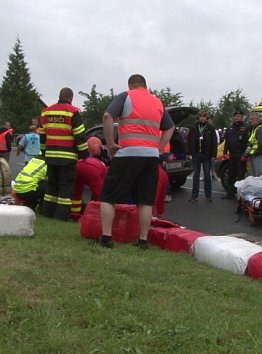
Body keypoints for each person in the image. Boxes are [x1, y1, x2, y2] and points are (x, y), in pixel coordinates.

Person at [99, 74, 174, 250]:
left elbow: (107, 116)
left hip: (127, 153)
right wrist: (160, 147)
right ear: (145, 85)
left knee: (108, 196)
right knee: (145, 200)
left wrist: (110, 144)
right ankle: (143, 240)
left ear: (131, 85)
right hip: (151, 156)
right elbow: (170, 127)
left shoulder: (126, 96)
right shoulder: (157, 102)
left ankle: (106, 237)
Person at [40, 87, 89, 221]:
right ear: (71, 98)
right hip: (67, 157)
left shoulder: (46, 112)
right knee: (65, 188)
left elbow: (43, 137)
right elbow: (80, 136)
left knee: (51, 186)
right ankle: (61, 216)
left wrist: (45, 153)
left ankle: (46, 213)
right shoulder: (73, 112)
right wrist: (85, 155)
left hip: (50, 156)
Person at [70, 137, 107, 219]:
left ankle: (74, 213)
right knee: (98, 195)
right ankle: (95, 214)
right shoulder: (104, 164)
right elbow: (99, 191)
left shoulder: (83, 153)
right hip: (93, 170)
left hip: (78, 166)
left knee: (77, 192)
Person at [187, 110, 218, 202]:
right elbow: (189, 140)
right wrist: (189, 152)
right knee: (196, 175)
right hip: (196, 154)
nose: (202, 118)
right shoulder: (194, 127)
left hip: (207, 155)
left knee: (207, 175)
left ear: (206, 118)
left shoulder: (210, 128)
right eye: (200, 116)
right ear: (198, 117)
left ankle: (208, 195)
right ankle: (194, 195)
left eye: (204, 116)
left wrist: (213, 154)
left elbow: (214, 142)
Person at [222, 110, 248, 199]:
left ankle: (240, 196)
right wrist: (225, 153)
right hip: (232, 155)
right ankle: (230, 194)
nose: (237, 117)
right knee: (231, 175)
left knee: (240, 176)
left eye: (239, 116)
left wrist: (245, 155)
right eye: (235, 116)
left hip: (241, 155)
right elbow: (227, 142)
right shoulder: (230, 128)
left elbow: (247, 143)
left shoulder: (245, 128)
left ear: (242, 117)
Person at [243, 112, 262, 177]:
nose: (250, 121)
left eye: (251, 119)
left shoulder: (260, 129)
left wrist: (255, 152)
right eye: (249, 119)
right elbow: (251, 143)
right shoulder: (254, 129)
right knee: (255, 176)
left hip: (258, 156)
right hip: (254, 156)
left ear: (257, 119)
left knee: (259, 176)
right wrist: (247, 154)